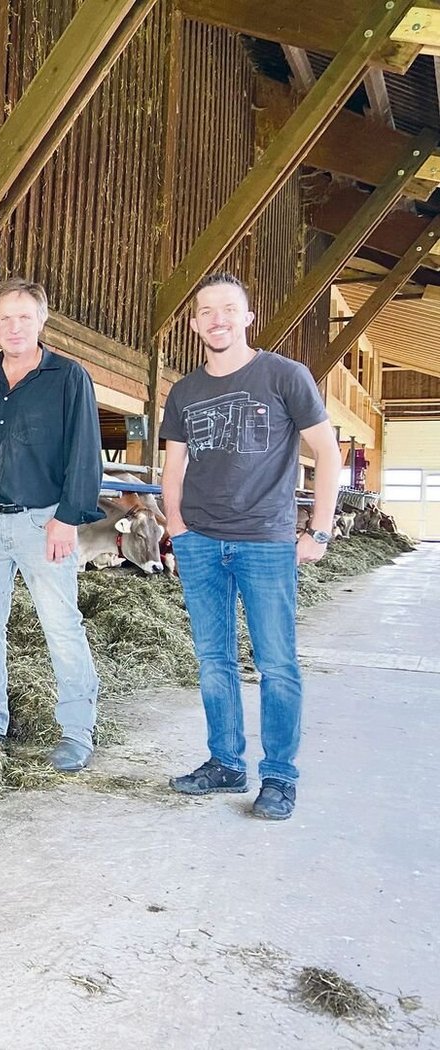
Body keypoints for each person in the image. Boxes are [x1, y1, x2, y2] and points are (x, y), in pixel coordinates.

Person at [161, 273, 342, 821]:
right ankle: (225, 762)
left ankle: (280, 778)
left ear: (247, 316)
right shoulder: (185, 391)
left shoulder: (284, 375)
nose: (218, 319)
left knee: (276, 663)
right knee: (213, 660)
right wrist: (178, 529)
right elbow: (174, 464)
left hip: (266, 542)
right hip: (201, 543)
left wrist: (321, 530)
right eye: (206, 311)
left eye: (228, 309)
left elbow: (329, 454)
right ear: (195, 324)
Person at [0, 277, 105, 772]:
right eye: (4, 318)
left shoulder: (68, 378)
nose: (14, 327)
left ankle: (76, 732)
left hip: (43, 523)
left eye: (24, 317)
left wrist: (68, 518)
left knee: (61, 625)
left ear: (42, 321)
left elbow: (84, 454)